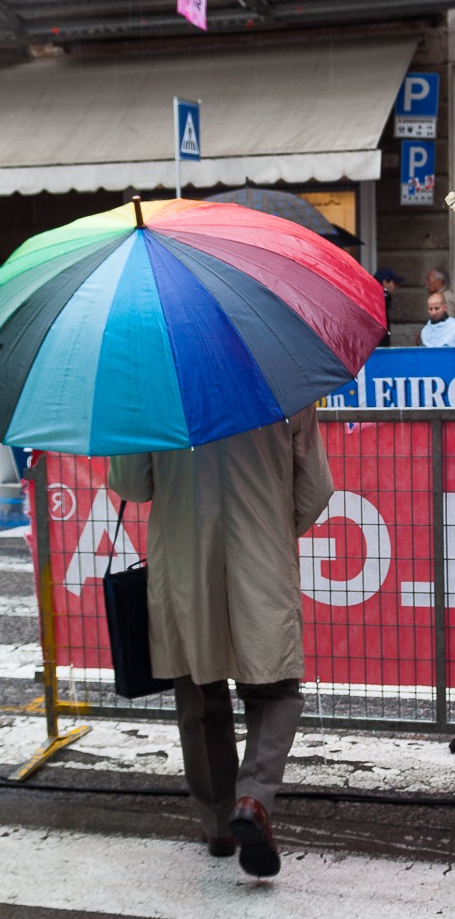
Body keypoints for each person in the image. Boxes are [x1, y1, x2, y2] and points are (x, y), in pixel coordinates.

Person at [109, 407, 333, 879]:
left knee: (198, 693)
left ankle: (217, 826)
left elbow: (131, 485)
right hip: (263, 554)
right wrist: (270, 525)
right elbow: (315, 490)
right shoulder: (282, 385)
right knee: (275, 688)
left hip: (184, 558)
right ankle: (253, 798)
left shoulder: (153, 388)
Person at [373, 267, 404, 347]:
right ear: (385, 283)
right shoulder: (380, 301)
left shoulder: (380, 299)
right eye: (395, 283)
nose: (397, 287)